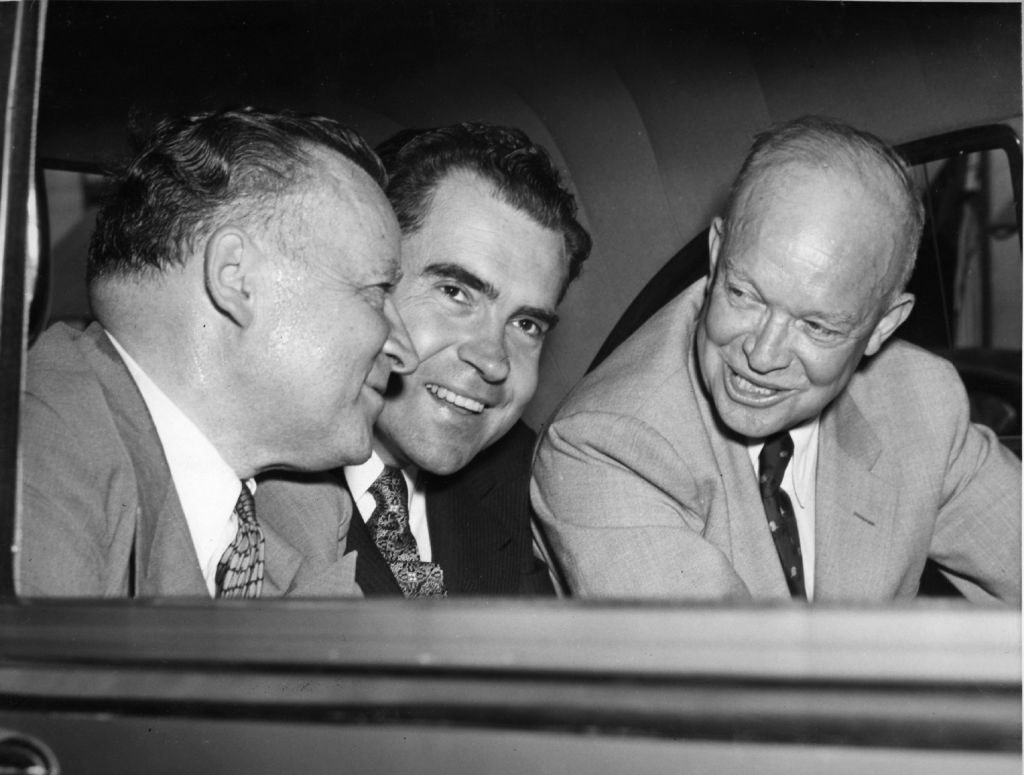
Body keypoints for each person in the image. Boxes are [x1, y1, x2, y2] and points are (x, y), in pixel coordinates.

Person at [531, 116, 1021, 603]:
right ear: (717, 254)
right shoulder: (607, 445)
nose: (761, 356)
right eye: (744, 295)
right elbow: (730, 658)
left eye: (816, 327)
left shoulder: (921, 401)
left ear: (883, 327)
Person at [16, 108, 418, 598]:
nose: (405, 352)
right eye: (376, 292)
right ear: (236, 278)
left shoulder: (302, 508)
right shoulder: (33, 458)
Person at [340, 122, 591, 597]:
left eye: (526, 324)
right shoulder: (251, 485)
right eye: (456, 293)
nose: (493, 361)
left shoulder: (533, 481)